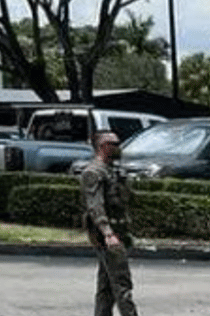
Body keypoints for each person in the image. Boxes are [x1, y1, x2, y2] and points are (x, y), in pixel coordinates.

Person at [81, 130, 139, 316]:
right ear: (103, 146)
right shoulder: (93, 172)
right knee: (122, 284)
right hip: (107, 236)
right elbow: (95, 205)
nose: (118, 147)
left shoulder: (111, 171)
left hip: (118, 231)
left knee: (106, 286)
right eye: (114, 144)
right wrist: (107, 233)